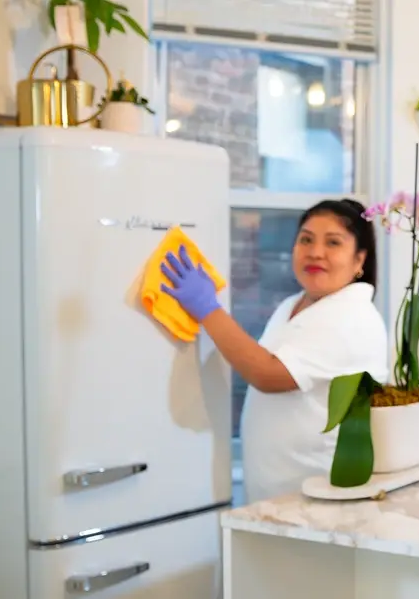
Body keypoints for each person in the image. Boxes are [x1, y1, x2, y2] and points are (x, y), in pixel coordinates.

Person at [161, 199, 389, 503]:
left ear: (359, 260)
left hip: (318, 496)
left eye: (333, 242)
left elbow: (267, 374)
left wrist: (207, 308)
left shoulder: (351, 318)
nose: (315, 252)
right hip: (276, 491)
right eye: (306, 239)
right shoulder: (294, 304)